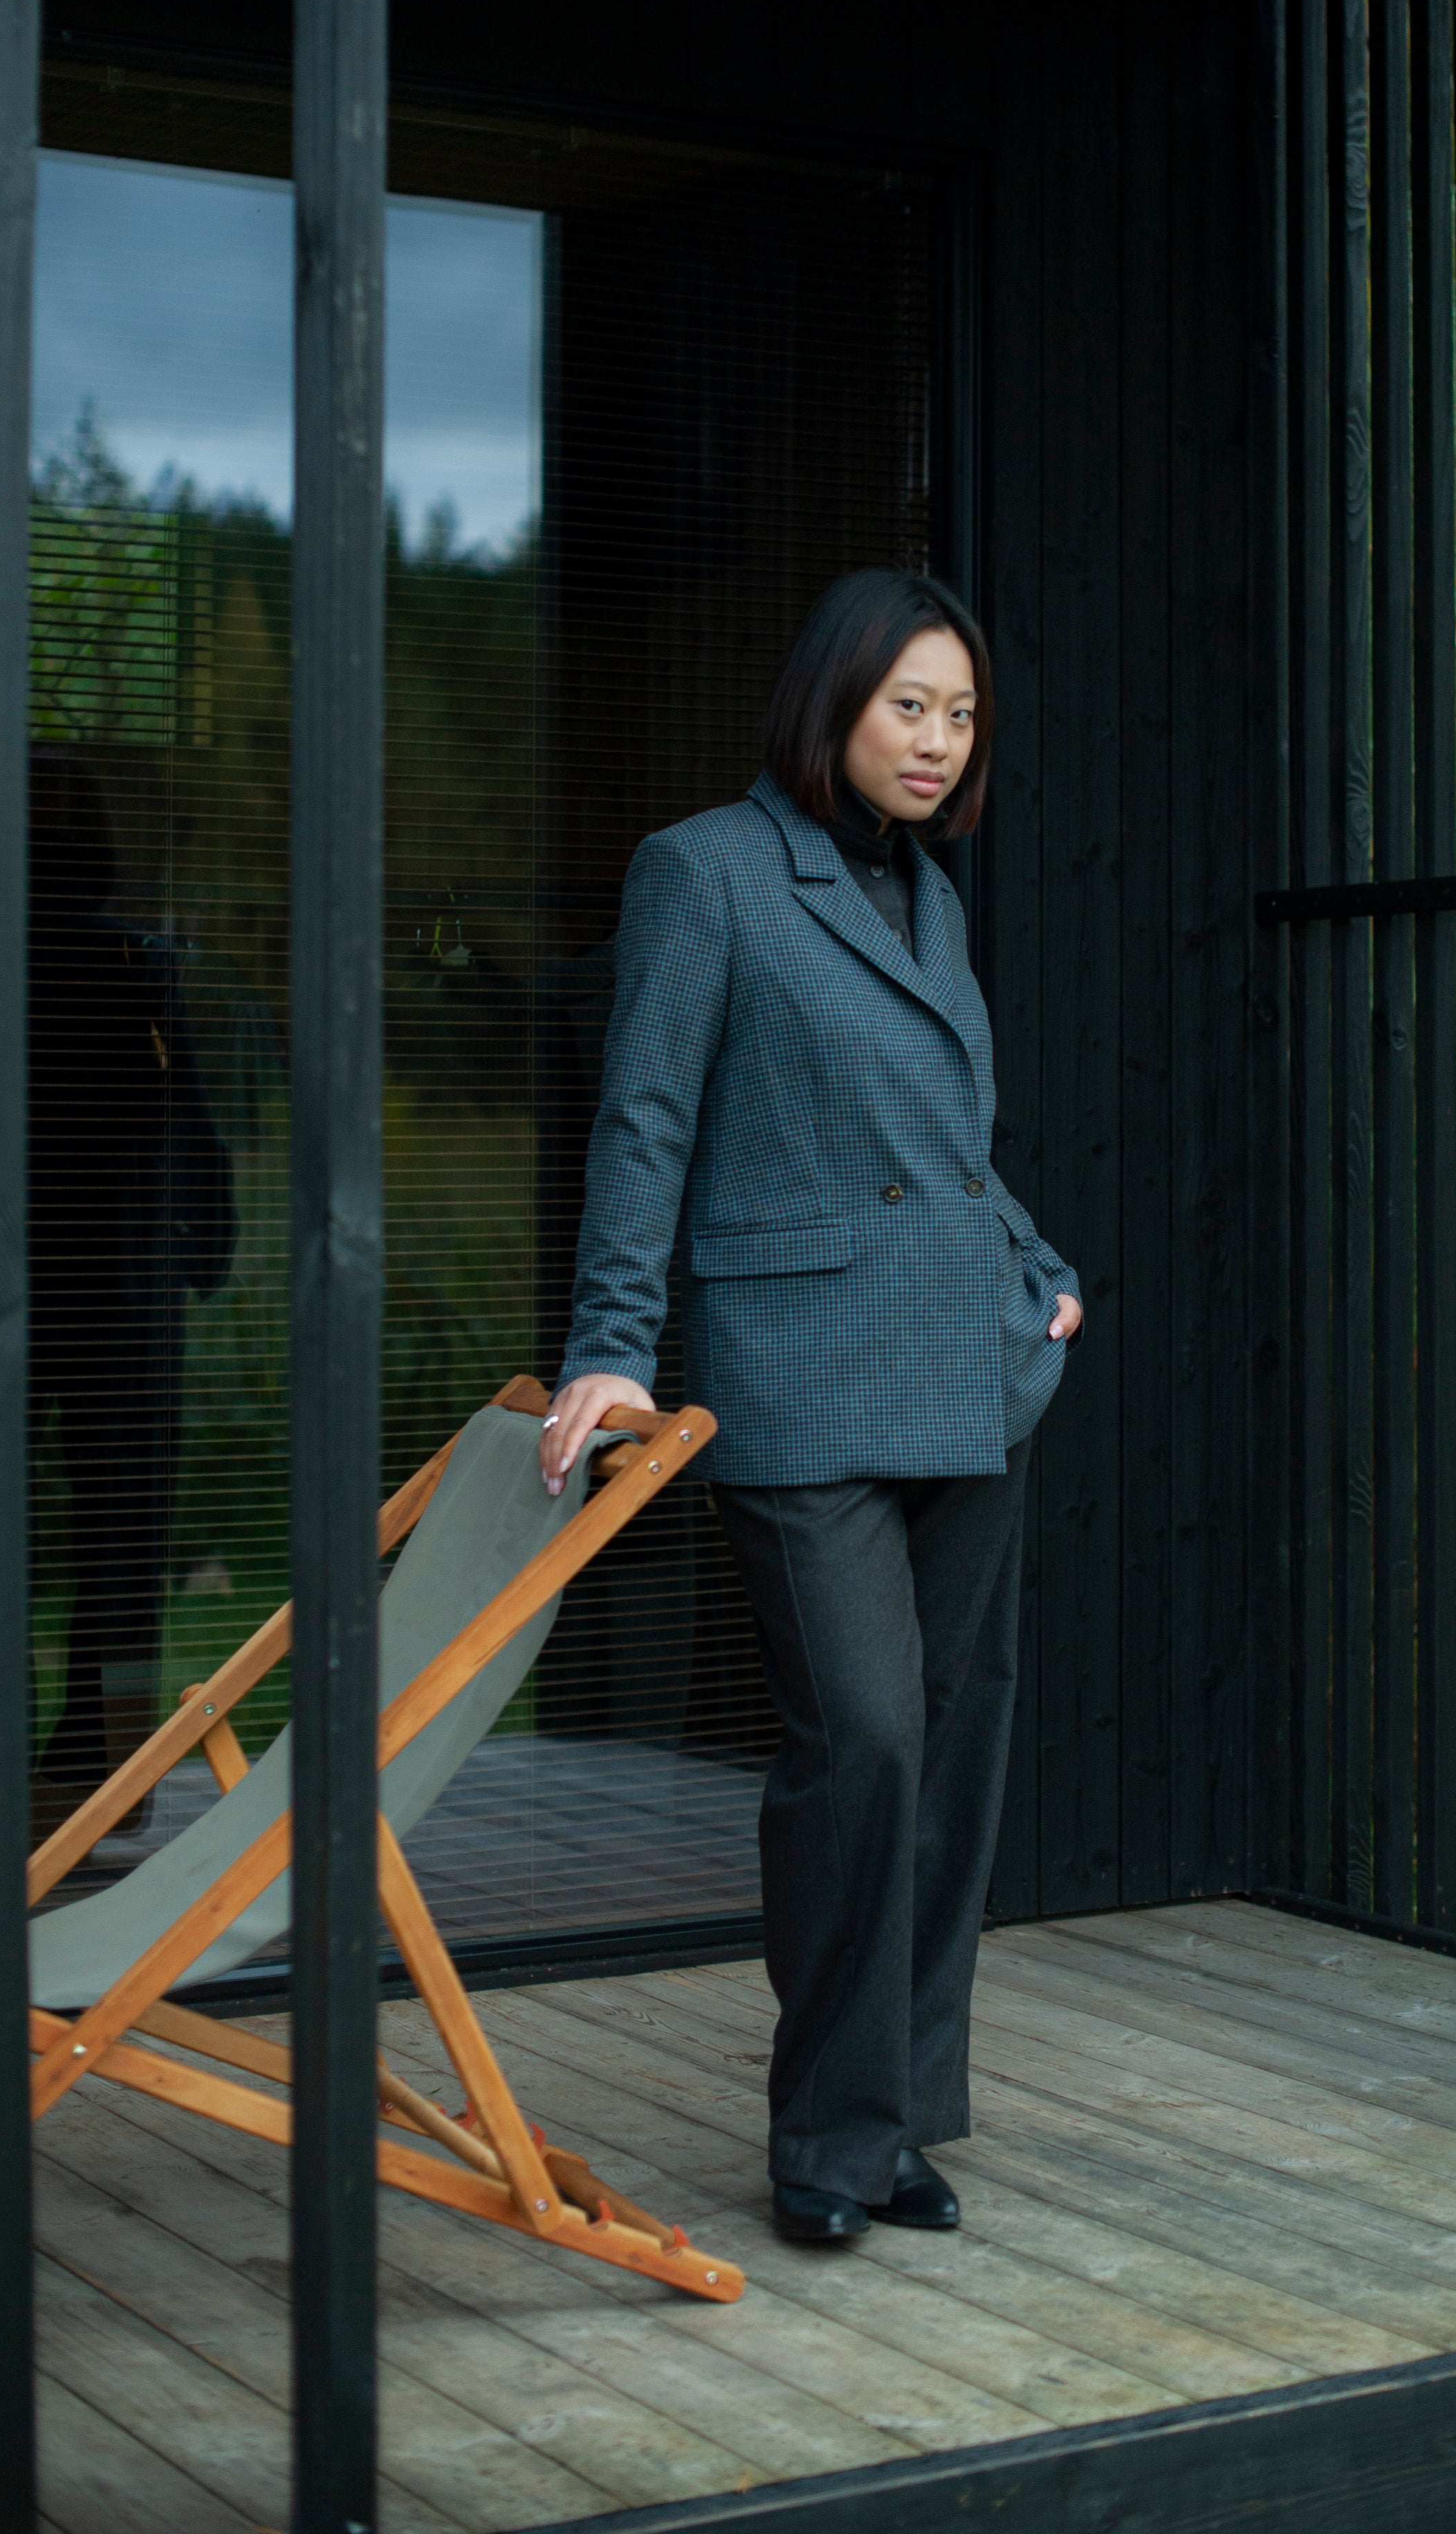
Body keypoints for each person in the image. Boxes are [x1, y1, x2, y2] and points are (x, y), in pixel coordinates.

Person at [541, 569, 1081, 2243]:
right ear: (834, 700)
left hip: (971, 1365)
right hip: (798, 1372)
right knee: (864, 1738)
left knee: (956, 1747)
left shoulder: (935, 899)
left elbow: (949, 1148)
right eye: (909, 704)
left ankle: (890, 2116)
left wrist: (1042, 1264)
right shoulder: (705, 871)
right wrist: (611, 1341)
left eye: (963, 713)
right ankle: (830, 2135)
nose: (937, 740)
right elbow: (646, 1120)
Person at [27, 748, 237, 1849]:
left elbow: (186, 1116)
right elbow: (190, 1118)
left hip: (77, 1279)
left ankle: (91, 1766)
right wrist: (208, 1239)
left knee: (81, 1534)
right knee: (117, 1536)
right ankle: (99, 1769)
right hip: (110, 1281)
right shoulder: (128, 961)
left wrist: (203, 1236)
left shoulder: (121, 962)